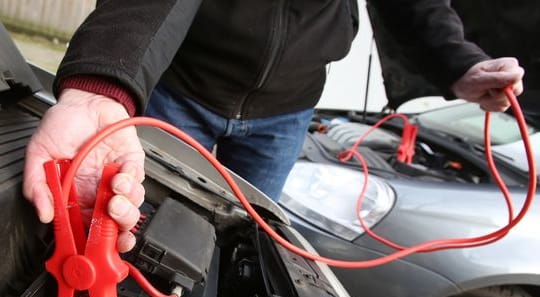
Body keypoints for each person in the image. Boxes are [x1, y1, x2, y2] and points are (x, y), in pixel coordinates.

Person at [23, 0, 524, 253]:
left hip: (287, 112)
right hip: (183, 90)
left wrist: (457, 63)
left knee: (245, 247)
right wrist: (101, 88)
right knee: (139, 234)